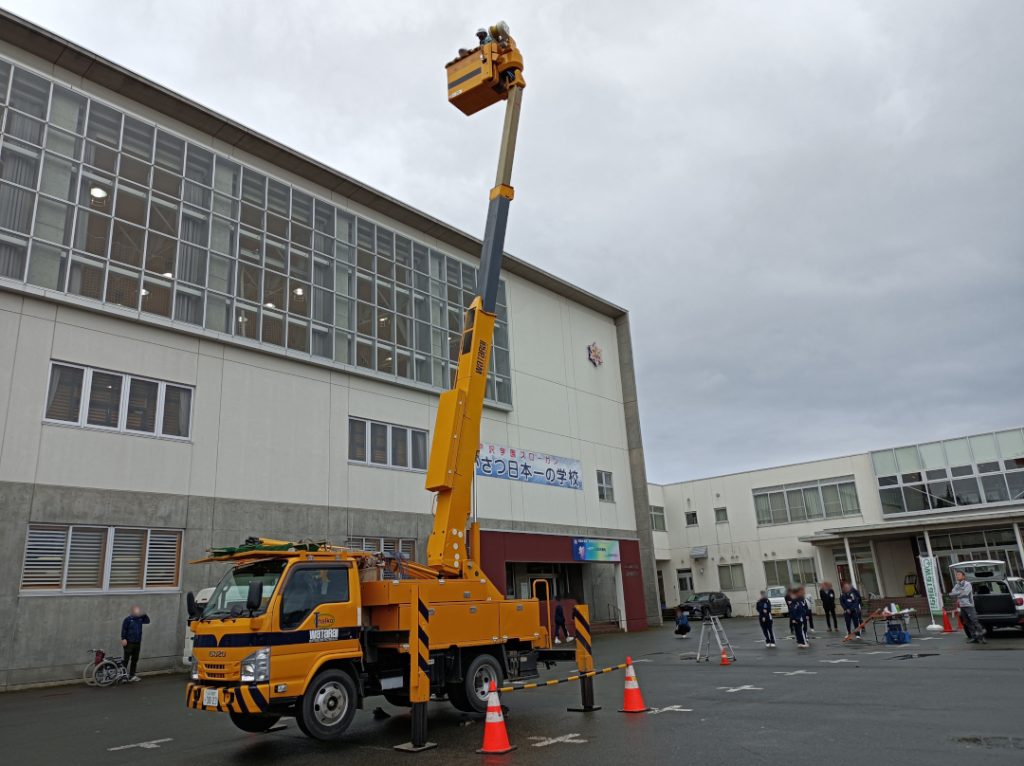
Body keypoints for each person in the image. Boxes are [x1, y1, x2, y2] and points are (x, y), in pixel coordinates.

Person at [949, 570, 986, 644]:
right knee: (967, 622)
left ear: (963, 576)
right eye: (957, 575)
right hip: (962, 606)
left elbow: (965, 593)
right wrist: (959, 592)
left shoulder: (967, 584)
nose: (957, 576)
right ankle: (974, 637)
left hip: (969, 605)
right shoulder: (957, 585)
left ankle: (981, 637)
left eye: (959, 575)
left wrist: (957, 593)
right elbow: (951, 594)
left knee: (974, 621)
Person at [120, 605, 150, 681]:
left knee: (135, 660)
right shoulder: (128, 619)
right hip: (129, 642)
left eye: (138, 610)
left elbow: (147, 621)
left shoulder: (140, 619)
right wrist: (123, 639)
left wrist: (144, 613)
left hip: (137, 642)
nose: (137, 611)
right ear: (132, 611)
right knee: (126, 660)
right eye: (136, 610)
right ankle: (123, 676)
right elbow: (124, 629)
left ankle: (132, 676)